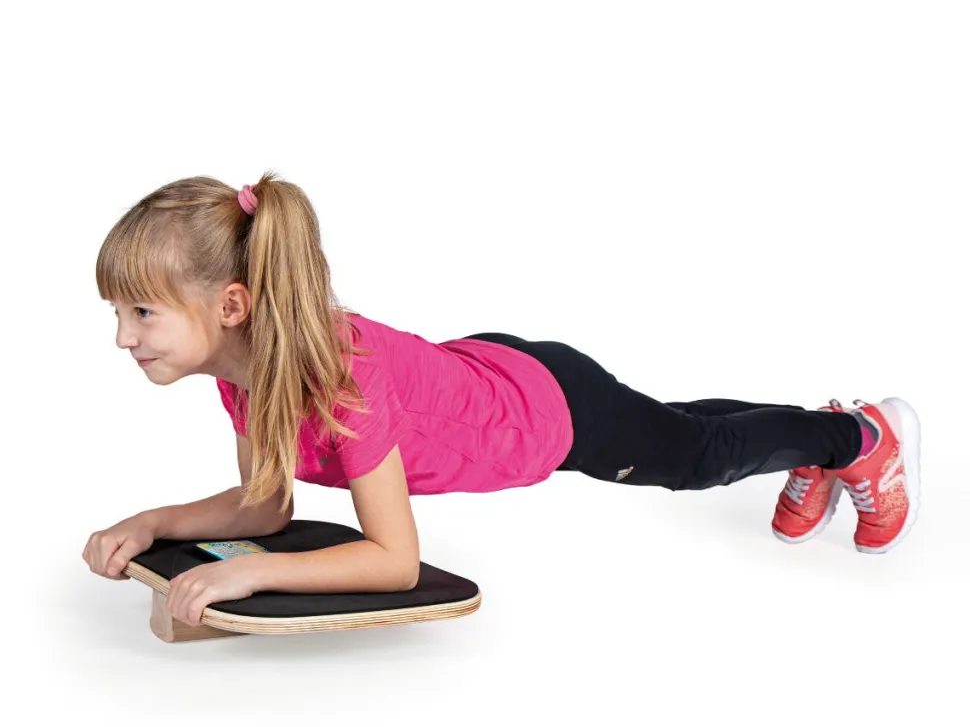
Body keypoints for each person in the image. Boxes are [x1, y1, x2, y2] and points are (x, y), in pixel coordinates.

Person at [87, 172, 920, 622]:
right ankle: (821, 434)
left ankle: (857, 439)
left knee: (694, 457)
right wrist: (155, 523)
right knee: (673, 426)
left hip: (545, 418)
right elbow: (264, 504)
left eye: (142, 312)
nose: (124, 336)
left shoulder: (339, 385)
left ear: (231, 306)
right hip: (497, 374)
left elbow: (394, 560)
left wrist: (254, 575)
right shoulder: (250, 373)